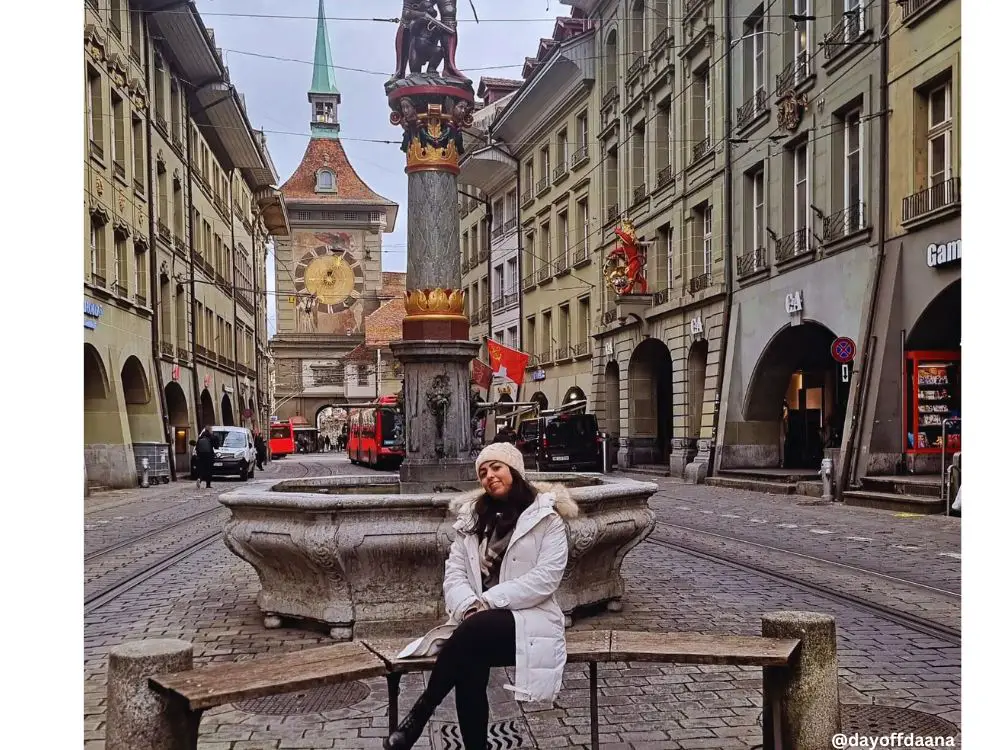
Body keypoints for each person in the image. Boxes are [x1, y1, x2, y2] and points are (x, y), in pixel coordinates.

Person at [383, 442, 578, 750]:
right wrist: (469, 605)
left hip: (529, 622)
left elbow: (545, 580)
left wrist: (487, 601)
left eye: (496, 467)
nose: (489, 476)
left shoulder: (546, 520)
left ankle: (419, 716)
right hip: (476, 624)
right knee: (468, 653)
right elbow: (454, 574)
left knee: (470, 636)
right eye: (483, 472)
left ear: (514, 470)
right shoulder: (472, 522)